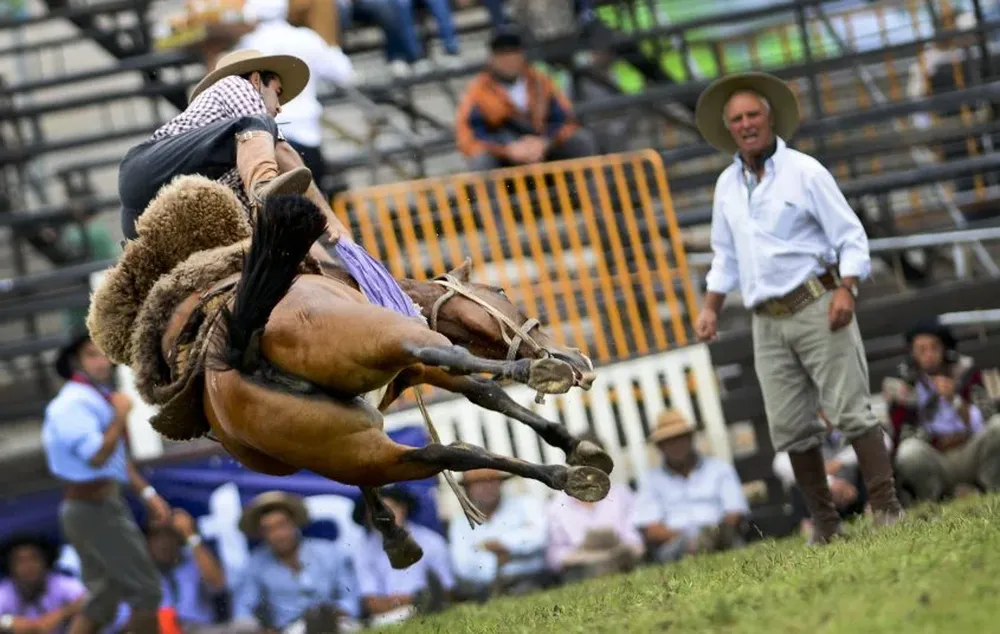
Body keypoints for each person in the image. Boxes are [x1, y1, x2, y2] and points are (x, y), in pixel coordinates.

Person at [692, 71, 905, 545]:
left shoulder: (805, 172)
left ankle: (886, 506)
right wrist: (710, 308)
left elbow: (849, 237)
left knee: (851, 411)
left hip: (817, 302)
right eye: (737, 119)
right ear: (729, 128)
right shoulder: (727, 185)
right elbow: (724, 255)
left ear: (770, 120)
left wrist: (847, 289)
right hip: (765, 318)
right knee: (790, 426)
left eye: (753, 115)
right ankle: (826, 525)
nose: (746, 124)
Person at [40, 331, 170, 634]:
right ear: (75, 361)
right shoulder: (72, 403)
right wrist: (121, 416)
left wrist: (147, 494)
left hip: (96, 504)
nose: (102, 362)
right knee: (147, 592)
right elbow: (98, 456)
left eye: (104, 354)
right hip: (93, 508)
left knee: (103, 598)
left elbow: (114, 460)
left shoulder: (95, 397)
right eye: (91, 355)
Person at [238, 0, 358, 201]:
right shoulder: (306, 38)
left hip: (269, 142)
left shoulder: (246, 47)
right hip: (305, 136)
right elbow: (344, 73)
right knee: (317, 213)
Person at [455, 25, 598, 172]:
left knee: (581, 141)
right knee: (480, 162)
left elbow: (563, 118)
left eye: (513, 51)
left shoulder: (540, 81)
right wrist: (508, 148)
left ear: (522, 54)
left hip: (544, 146)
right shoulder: (478, 90)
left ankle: (591, 194)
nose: (508, 58)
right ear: (491, 58)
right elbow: (470, 135)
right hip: (504, 154)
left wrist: (544, 142)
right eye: (502, 53)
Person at [887, 320, 1000, 501]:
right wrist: (937, 439)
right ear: (913, 354)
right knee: (909, 452)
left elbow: (986, 417)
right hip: (937, 457)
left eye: (934, 348)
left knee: (998, 426)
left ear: (945, 349)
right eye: (922, 350)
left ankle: (992, 488)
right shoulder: (904, 389)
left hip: (970, 449)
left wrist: (953, 399)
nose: (929, 355)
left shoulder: (967, 374)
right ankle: (938, 499)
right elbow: (904, 437)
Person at [231, 491, 360, 632]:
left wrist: (338, 613)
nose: (278, 535)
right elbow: (243, 609)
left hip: (336, 625)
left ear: (294, 523)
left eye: (282, 525)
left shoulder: (328, 551)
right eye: (269, 529)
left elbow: (350, 597)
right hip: (289, 629)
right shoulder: (255, 564)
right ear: (261, 534)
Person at [632, 410, 749, 562]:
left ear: (690, 438)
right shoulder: (650, 480)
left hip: (720, 534)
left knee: (725, 537)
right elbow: (651, 529)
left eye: (680, 438)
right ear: (660, 446)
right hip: (676, 543)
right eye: (669, 441)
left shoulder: (719, 469)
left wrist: (716, 533)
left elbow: (735, 512)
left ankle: (708, 541)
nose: (676, 445)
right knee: (682, 546)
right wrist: (691, 540)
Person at [0, 535, 85, 634]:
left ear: (46, 561)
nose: (28, 566)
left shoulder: (61, 583)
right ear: (10, 567)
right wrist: (8, 622)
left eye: (34, 558)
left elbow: (90, 600)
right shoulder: (5, 591)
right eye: (20, 561)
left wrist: (60, 615)